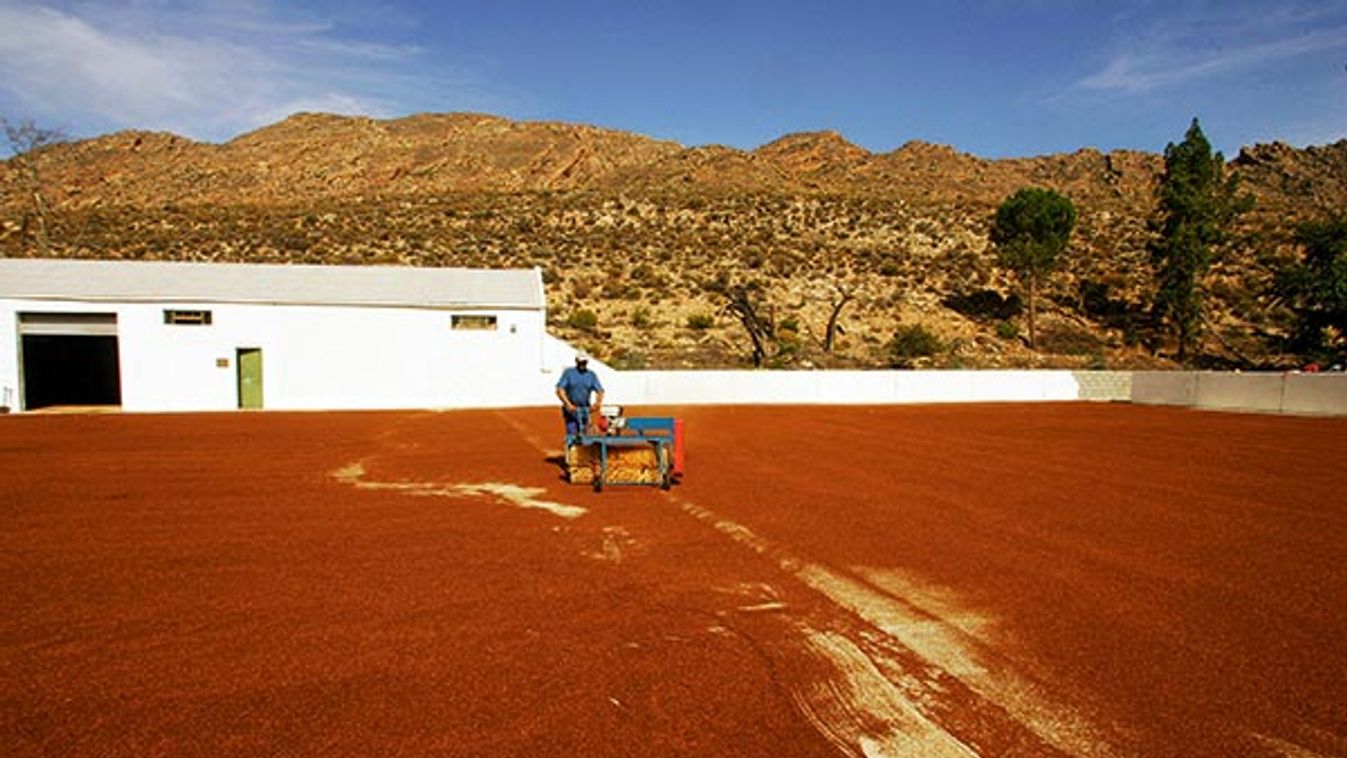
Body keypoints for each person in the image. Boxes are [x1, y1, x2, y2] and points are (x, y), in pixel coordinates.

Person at [556, 351, 604, 439]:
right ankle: (573, 450)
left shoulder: (591, 375)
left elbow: (600, 390)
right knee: (573, 433)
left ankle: (585, 451)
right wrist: (568, 404)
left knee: (586, 433)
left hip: (585, 409)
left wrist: (597, 403)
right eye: (581, 362)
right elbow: (560, 389)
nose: (583, 364)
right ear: (576, 361)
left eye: (584, 362)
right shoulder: (569, 373)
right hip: (571, 410)